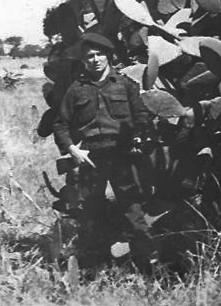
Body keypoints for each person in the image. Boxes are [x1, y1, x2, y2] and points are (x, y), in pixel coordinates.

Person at [52, 31, 155, 269]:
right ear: (83, 60)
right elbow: (60, 124)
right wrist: (72, 150)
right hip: (91, 156)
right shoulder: (76, 90)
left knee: (133, 210)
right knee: (91, 212)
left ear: (108, 56)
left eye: (99, 54)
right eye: (90, 56)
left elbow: (142, 114)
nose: (95, 60)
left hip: (122, 153)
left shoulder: (126, 84)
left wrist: (139, 135)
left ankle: (148, 266)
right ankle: (94, 269)